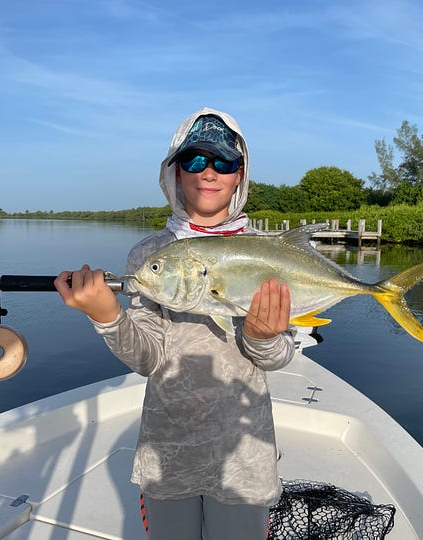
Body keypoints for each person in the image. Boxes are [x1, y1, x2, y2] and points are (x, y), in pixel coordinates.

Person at [55, 107, 295, 539]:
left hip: (244, 451)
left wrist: (262, 338)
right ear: (175, 172)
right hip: (168, 449)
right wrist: (107, 316)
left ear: (240, 175)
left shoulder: (268, 251)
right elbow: (149, 357)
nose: (209, 172)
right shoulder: (150, 255)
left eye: (223, 162)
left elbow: (279, 356)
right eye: (195, 160)